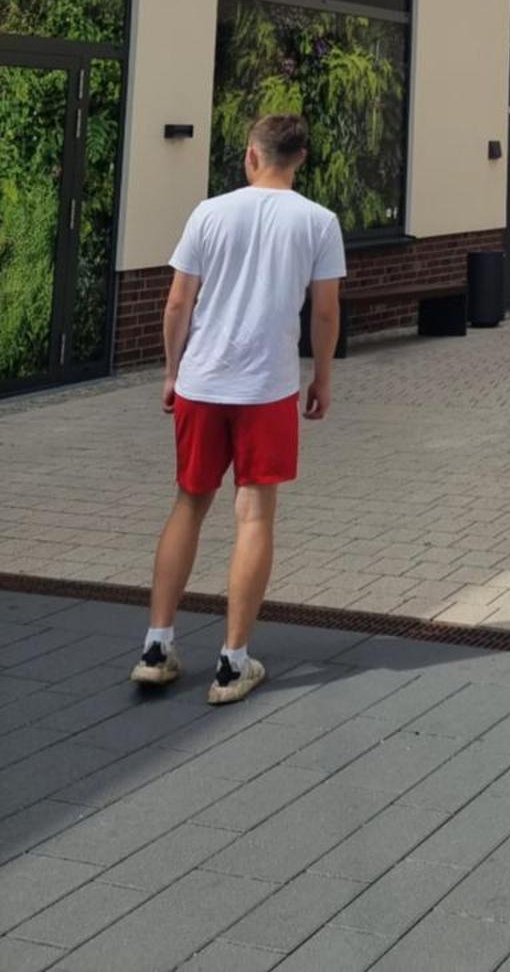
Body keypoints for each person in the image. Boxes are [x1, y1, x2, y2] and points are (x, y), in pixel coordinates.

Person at [132, 114, 344, 704]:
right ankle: (232, 662)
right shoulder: (318, 222)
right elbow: (324, 314)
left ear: (252, 155)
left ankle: (156, 645)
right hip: (266, 389)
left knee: (188, 505)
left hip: (202, 383)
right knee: (253, 516)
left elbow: (178, 302)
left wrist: (173, 371)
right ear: (298, 159)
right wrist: (322, 377)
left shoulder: (209, 212)